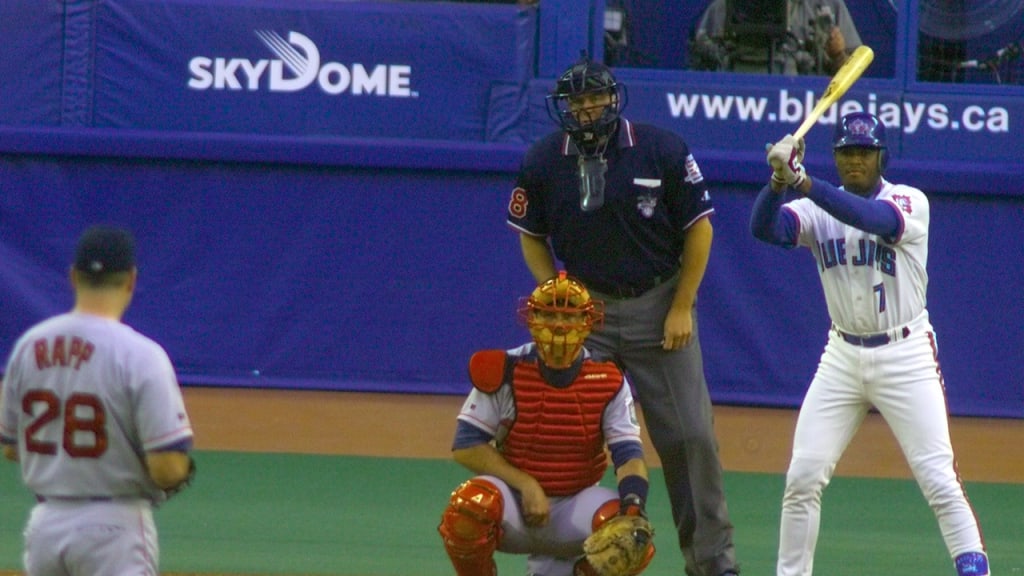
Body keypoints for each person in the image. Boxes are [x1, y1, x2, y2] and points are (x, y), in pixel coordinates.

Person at [506, 54, 739, 576]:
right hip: (586, 308)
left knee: (690, 438)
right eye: (577, 102)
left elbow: (699, 229)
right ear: (563, 108)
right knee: (568, 432)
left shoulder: (660, 148)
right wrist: (556, 293)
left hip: (659, 305)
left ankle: (713, 563)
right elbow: (531, 235)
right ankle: (563, 559)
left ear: (613, 98)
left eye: (595, 99)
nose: (587, 110)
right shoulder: (543, 160)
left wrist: (683, 305)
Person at [751, 112, 991, 576]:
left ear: (882, 156)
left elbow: (873, 219)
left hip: (906, 354)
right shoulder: (815, 204)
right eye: (846, 152)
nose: (855, 160)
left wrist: (800, 179)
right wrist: (777, 182)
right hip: (841, 355)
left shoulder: (908, 200)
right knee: (802, 477)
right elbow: (764, 229)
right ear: (836, 158)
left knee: (939, 480)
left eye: (864, 152)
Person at [0, 225, 196, 576]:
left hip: (46, 526)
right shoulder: (141, 355)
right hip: (114, 529)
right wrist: (176, 472)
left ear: (73, 277)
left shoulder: (28, 347)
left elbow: (12, 448)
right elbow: (167, 467)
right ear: (131, 280)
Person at [438, 272, 655, 576]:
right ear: (532, 318)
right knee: (470, 507)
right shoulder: (504, 370)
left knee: (631, 538)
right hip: (515, 503)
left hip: (575, 505)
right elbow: (466, 446)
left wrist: (634, 506)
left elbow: (629, 455)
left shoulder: (608, 379)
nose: (559, 325)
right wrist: (526, 484)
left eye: (569, 317)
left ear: (586, 323)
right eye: (549, 314)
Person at [690, 0, 862, 75]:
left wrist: (837, 55)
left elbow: (852, 80)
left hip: (800, 107)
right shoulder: (723, 8)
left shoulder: (826, 7)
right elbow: (697, 71)